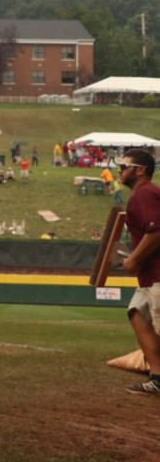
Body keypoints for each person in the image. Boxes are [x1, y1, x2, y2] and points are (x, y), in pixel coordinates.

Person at [117, 149, 160, 395]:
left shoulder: (144, 194)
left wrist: (133, 258)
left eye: (124, 166)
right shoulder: (144, 194)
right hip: (150, 276)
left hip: (157, 275)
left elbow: (156, 231)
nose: (120, 171)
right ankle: (158, 377)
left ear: (140, 170)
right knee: (138, 314)